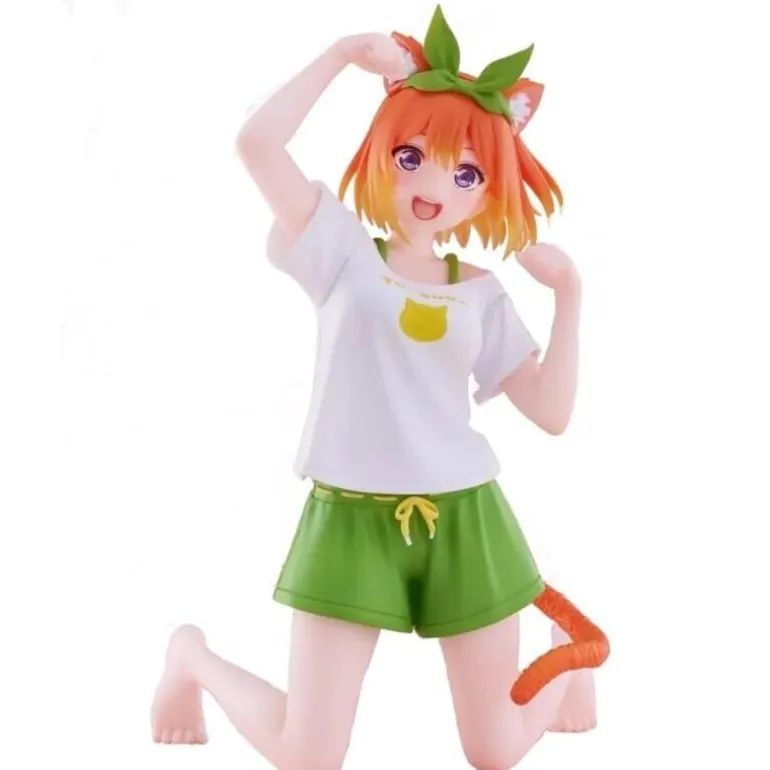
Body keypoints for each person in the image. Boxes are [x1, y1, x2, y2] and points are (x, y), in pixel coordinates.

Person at [150, 6, 608, 769]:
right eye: (412, 156)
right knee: (309, 756)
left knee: (494, 752)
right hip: (350, 519)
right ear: (381, 152)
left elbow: (551, 412)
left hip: (466, 520)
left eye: (466, 173)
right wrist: (340, 55)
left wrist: (570, 297)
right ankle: (190, 657)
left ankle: (568, 660)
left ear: (487, 191)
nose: (435, 187)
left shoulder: (481, 290)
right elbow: (256, 143)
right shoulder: (338, 250)